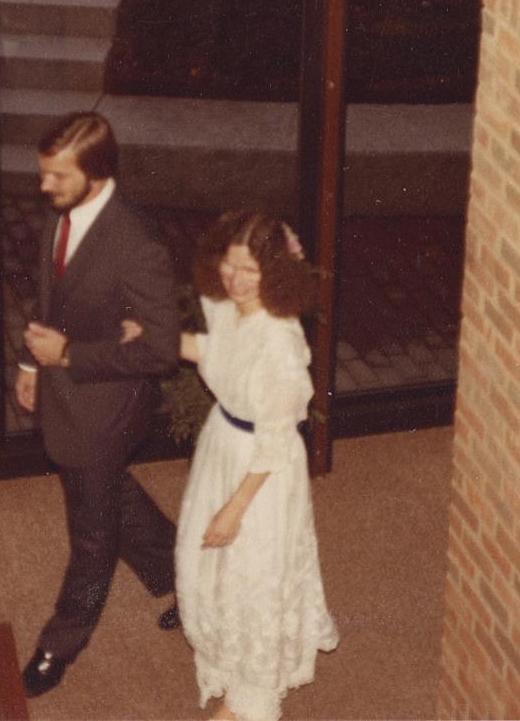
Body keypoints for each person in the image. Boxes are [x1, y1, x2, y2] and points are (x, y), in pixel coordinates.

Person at [15, 111, 183, 697]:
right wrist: (34, 362)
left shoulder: (137, 243)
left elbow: (161, 349)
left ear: (97, 171)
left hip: (102, 408)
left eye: (56, 177)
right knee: (106, 494)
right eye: (43, 174)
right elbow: (49, 296)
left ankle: (60, 645)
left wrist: (67, 357)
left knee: (92, 537)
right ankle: (187, 578)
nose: (44, 187)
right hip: (65, 389)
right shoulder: (62, 215)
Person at [174, 210, 338, 721]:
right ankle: (232, 676)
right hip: (223, 444)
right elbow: (214, 351)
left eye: (249, 271)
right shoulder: (230, 308)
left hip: (261, 471)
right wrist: (149, 340)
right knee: (217, 569)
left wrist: (233, 510)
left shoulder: (281, 343)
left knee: (254, 571)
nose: (235, 280)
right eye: (229, 265)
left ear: (276, 272)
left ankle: (252, 701)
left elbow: (273, 440)